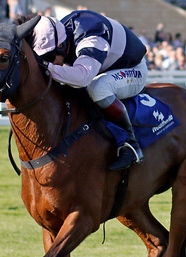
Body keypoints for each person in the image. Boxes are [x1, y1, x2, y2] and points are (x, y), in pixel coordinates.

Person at [30, 10, 148, 170]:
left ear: (60, 46)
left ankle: (131, 143)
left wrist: (46, 67)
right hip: (105, 67)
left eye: (49, 57)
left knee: (98, 87)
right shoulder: (60, 32)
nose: (49, 61)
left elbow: (82, 78)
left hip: (133, 69)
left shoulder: (91, 38)